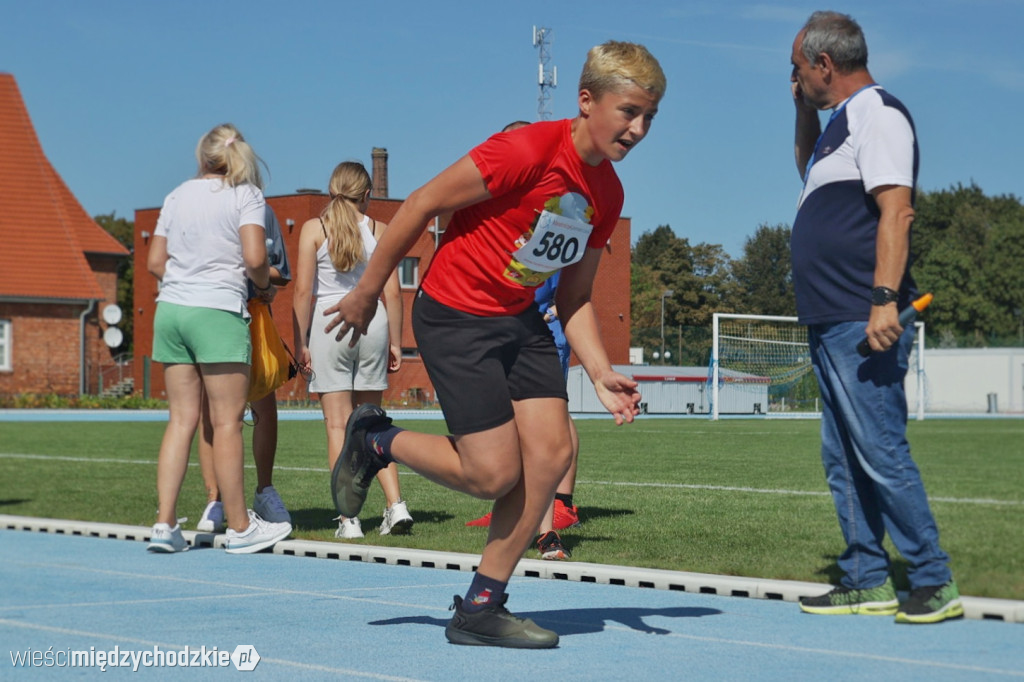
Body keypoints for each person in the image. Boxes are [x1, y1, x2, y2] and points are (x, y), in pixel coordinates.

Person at [325, 41, 664, 648]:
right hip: (456, 315)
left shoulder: (607, 195)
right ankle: (376, 438)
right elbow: (423, 202)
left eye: (649, 118)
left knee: (552, 454)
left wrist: (602, 369)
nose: (638, 129)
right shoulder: (528, 149)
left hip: (520, 321)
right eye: (629, 111)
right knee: (491, 474)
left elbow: (576, 298)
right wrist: (369, 291)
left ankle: (482, 607)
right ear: (587, 101)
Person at [789, 12, 961, 624]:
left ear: (824, 65)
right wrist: (804, 111)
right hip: (830, 318)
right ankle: (866, 577)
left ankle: (932, 578)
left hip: (862, 319)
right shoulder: (839, 125)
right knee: (842, 457)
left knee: (882, 450)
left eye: (799, 68)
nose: (796, 78)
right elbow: (806, 171)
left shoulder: (879, 114)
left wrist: (884, 299)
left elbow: (898, 212)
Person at [146, 123, 292, 554]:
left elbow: (156, 261)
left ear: (202, 156)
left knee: (181, 420)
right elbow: (254, 258)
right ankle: (242, 527)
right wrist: (263, 285)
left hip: (171, 310)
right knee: (228, 422)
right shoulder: (245, 194)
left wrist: (186, 281)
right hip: (217, 311)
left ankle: (164, 524)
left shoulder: (176, 195)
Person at [292, 161, 413, 539]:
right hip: (373, 323)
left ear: (331, 190)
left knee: (338, 426)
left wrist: (300, 341)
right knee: (373, 423)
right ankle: (396, 506)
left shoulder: (314, 228)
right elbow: (393, 291)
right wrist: (396, 340)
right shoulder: (381, 229)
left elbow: (301, 292)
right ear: (367, 194)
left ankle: (348, 519)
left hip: (330, 324)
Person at [466, 270, 582, 563]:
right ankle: (384, 442)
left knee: (541, 433)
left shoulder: (555, 240)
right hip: (495, 342)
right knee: (501, 438)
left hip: (538, 343)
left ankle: (548, 526)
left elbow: (575, 296)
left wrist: (600, 371)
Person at [196, 205, 293, 533]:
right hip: (213, 313)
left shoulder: (262, 210)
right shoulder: (200, 204)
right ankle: (215, 500)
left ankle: (264, 491)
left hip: (253, 316)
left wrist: (262, 282)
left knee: (265, 405)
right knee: (211, 411)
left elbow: (281, 270)